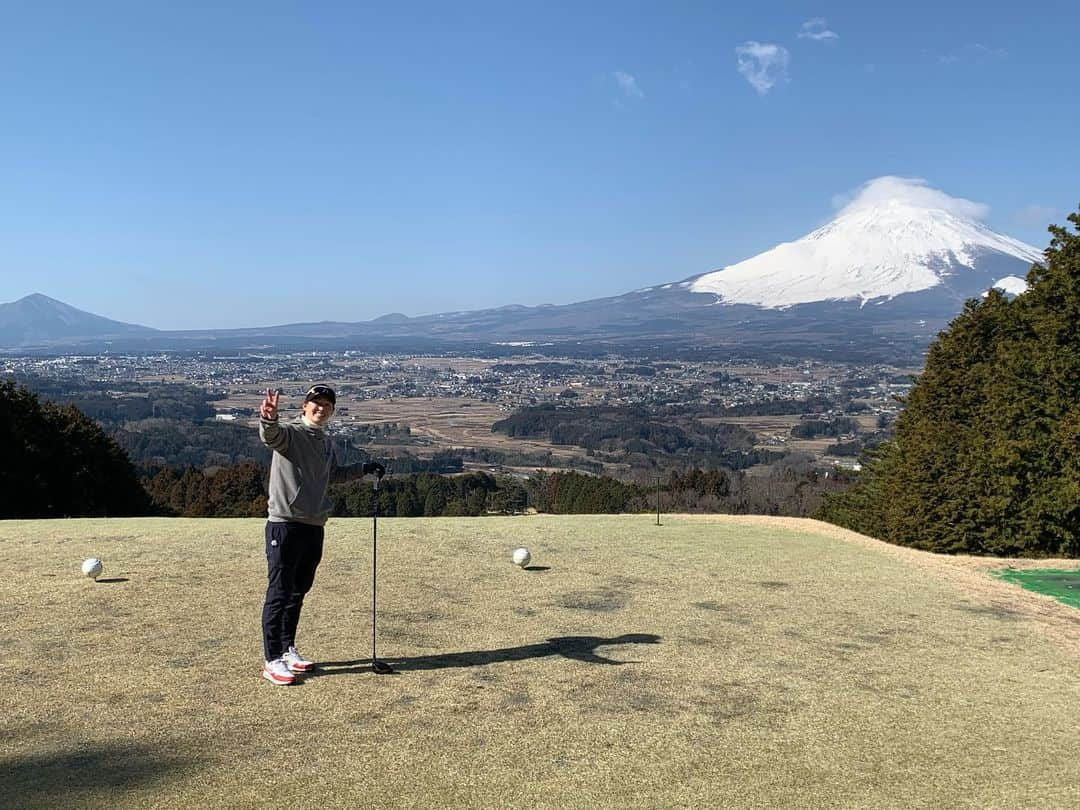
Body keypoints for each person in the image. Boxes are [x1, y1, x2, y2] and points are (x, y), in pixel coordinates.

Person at [258, 383, 384, 685]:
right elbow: (270, 436)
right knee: (279, 592)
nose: (321, 408)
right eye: (316, 402)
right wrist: (269, 418)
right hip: (285, 523)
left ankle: (287, 648)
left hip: (314, 525)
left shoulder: (326, 442)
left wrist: (364, 467)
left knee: (298, 590)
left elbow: (334, 476)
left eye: (327, 404)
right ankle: (272, 658)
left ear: (332, 410)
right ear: (304, 406)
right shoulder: (290, 433)